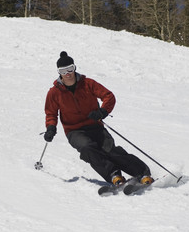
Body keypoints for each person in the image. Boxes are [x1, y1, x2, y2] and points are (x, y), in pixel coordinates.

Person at [43, 51, 154, 186]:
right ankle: (114, 175)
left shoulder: (88, 84)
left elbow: (109, 96)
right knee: (87, 148)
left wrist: (102, 112)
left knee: (110, 151)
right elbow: (51, 113)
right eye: (63, 71)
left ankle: (142, 172)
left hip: (95, 126)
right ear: (59, 73)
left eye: (70, 69)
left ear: (74, 68)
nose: (67, 74)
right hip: (74, 131)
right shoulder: (54, 92)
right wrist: (51, 128)